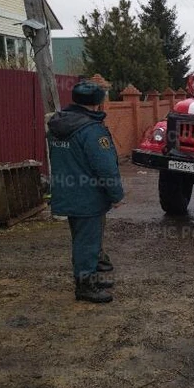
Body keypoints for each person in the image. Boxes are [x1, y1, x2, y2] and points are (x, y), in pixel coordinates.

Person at [47, 81, 124, 303]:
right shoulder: (91, 130)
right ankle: (85, 286)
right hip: (88, 196)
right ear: (97, 103)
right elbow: (105, 166)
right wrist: (116, 194)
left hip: (67, 191)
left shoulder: (58, 125)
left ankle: (90, 276)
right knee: (87, 242)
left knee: (82, 239)